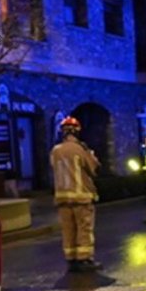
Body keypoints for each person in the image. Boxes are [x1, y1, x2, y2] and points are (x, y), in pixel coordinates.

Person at [50, 116, 101, 272]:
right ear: (77, 131)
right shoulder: (80, 149)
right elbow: (94, 168)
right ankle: (84, 259)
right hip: (81, 196)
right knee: (84, 228)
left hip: (62, 197)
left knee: (68, 229)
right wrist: (90, 154)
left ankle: (71, 259)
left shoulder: (55, 151)